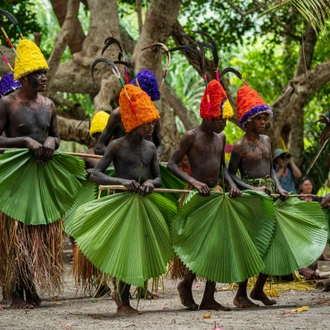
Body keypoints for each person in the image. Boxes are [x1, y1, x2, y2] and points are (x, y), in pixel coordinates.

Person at [0, 39, 77, 309]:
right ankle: (17, 291)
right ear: (23, 77)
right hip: (16, 179)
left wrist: (49, 143)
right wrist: (24, 142)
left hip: (42, 176)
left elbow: (56, 137)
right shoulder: (6, 103)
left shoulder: (49, 105)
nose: (43, 77)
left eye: (45, 73)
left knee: (39, 232)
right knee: (17, 234)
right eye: (37, 74)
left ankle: (30, 287)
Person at [90, 82, 164, 315]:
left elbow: (159, 178)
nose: (151, 126)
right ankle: (123, 302)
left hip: (143, 203)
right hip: (121, 202)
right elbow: (95, 174)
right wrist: (121, 182)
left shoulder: (151, 147)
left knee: (137, 249)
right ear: (134, 122)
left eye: (152, 122)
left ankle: (123, 297)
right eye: (146, 122)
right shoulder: (117, 145)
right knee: (124, 250)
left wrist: (150, 183)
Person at [167, 79, 241, 311]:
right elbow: (171, 164)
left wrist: (230, 185)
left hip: (216, 196)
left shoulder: (221, 138)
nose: (225, 124)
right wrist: (193, 181)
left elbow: (222, 168)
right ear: (208, 116)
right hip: (196, 197)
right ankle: (186, 284)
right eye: (221, 119)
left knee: (216, 246)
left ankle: (209, 296)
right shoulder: (191, 136)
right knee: (196, 246)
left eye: (227, 119)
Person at [228, 84, 288, 308]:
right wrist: (251, 189)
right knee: (251, 244)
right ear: (248, 120)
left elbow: (271, 168)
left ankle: (259, 288)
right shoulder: (239, 146)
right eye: (259, 118)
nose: (263, 122)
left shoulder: (267, 141)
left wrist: (279, 187)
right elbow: (230, 175)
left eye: (265, 118)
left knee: (271, 241)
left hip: (270, 194)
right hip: (251, 197)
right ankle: (241, 293)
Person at [94, 69, 162, 161]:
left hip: (147, 169)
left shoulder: (154, 115)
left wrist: (156, 155)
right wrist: (121, 156)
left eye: (149, 101)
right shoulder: (118, 114)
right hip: (122, 171)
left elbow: (159, 146)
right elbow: (99, 147)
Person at [0, 73, 21, 305]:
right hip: (5, 182)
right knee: (8, 240)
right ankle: (11, 289)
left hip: (21, 181)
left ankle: (23, 286)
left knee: (19, 237)